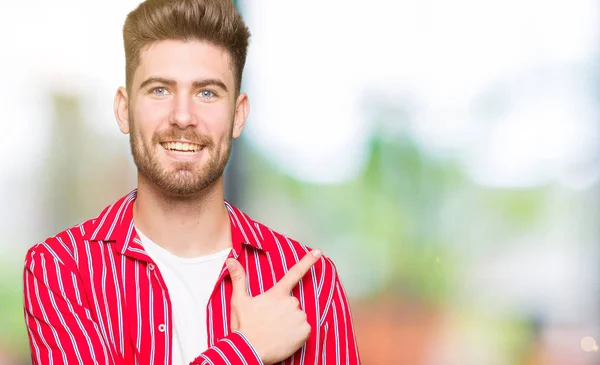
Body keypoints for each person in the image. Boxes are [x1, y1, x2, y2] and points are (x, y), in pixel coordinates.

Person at [22, 0, 360, 364]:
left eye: (207, 93)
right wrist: (248, 350)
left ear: (238, 115)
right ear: (124, 109)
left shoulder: (310, 284)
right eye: (160, 90)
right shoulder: (60, 270)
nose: (183, 117)